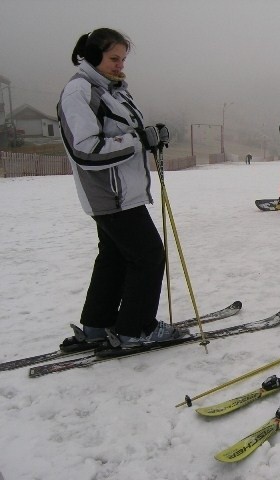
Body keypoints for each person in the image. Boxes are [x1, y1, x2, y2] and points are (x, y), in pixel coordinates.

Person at [57, 28, 186, 349]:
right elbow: (85, 148)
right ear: (93, 55)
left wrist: (151, 134)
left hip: (121, 190)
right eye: (114, 58)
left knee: (114, 256)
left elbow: (124, 132)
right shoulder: (81, 92)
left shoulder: (112, 90)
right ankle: (136, 328)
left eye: (123, 58)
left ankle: (97, 325)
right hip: (110, 192)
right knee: (148, 255)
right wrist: (139, 140)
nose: (120, 64)